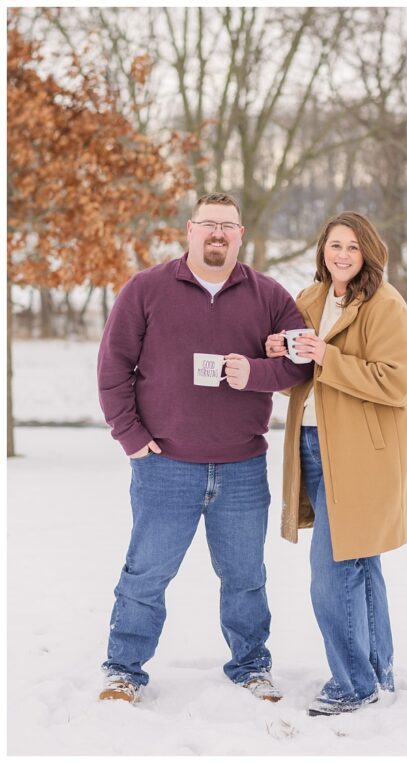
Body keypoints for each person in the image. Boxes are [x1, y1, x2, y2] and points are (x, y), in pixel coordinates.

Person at [96, 192, 313, 704]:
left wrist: (255, 372)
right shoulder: (146, 289)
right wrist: (131, 436)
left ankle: (251, 665)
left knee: (244, 577)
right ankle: (123, 669)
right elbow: (112, 369)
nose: (218, 233)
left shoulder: (270, 296)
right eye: (209, 224)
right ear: (190, 230)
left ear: (240, 235)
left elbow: (303, 363)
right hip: (166, 465)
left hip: (241, 468)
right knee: (146, 574)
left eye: (228, 226)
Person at [264, 211, 407, 716]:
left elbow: (396, 381)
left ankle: (352, 684)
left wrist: (325, 358)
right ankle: (376, 672)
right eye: (334, 245)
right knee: (359, 559)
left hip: (363, 454)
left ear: (368, 254)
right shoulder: (310, 299)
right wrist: (280, 352)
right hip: (313, 445)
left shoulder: (386, 305)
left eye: (352, 248)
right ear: (322, 250)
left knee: (332, 570)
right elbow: (300, 378)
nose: (341, 255)